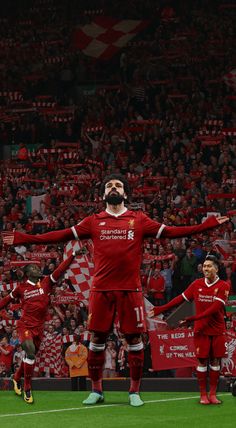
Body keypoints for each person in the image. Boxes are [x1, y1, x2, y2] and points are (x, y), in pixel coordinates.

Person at [2, 173, 229, 407]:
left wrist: (206, 225)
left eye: (118, 185)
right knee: (97, 339)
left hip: (130, 290)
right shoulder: (93, 221)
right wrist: (24, 237)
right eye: (109, 185)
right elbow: (60, 235)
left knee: (134, 340)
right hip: (101, 290)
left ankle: (134, 392)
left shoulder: (138, 219)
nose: (113, 188)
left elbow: (173, 231)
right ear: (103, 194)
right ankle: (97, 390)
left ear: (125, 193)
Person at [148, 255, 230, 405]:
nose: (206, 268)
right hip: (201, 330)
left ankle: (213, 394)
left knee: (215, 360)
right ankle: (203, 395)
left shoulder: (224, 285)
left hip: (217, 329)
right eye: (204, 266)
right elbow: (180, 298)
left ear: (216, 269)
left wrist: (193, 318)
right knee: (201, 360)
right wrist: (162, 308)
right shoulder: (196, 284)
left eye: (209, 266)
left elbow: (214, 309)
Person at [0, 252, 79, 404]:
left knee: (30, 357)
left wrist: (73, 255)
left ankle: (16, 377)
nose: (38, 269)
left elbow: (60, 269)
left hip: (39, 328)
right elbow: (6, 300)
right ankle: (27, 388)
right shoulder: (20, 288)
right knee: (29, 350)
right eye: (35, 268)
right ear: (28, 273)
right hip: (25, 325)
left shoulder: (46, 283)